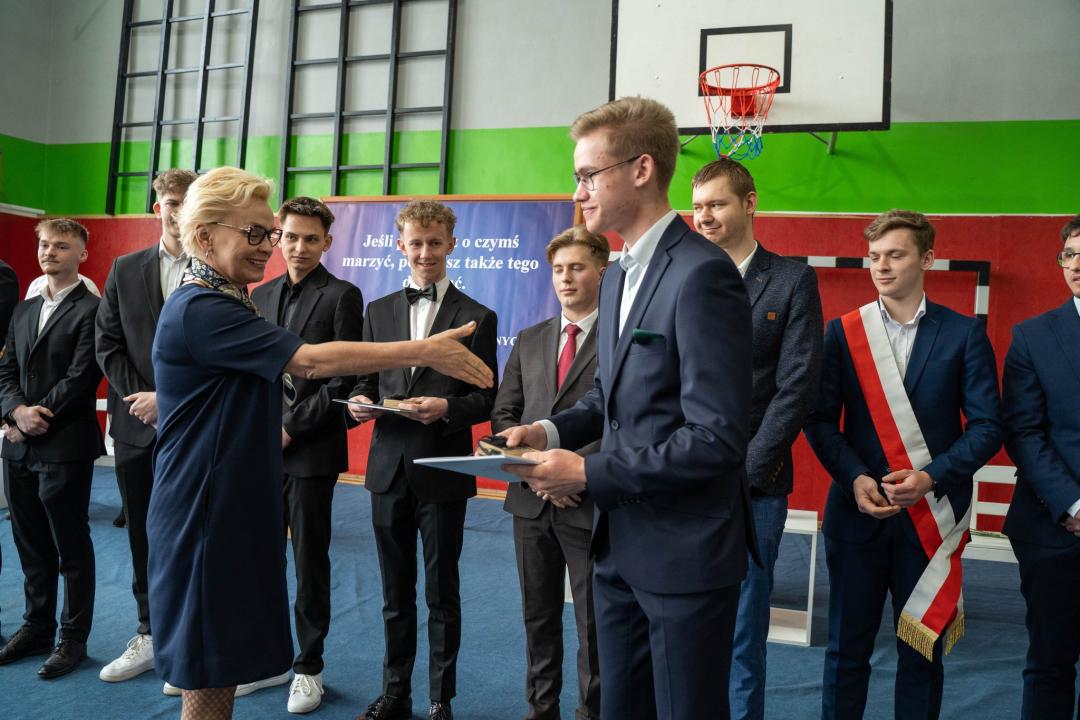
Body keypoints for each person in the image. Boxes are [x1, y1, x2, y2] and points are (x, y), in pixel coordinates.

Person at [146, 167, 492, 720]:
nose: (271, 247)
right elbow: (308, 360)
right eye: (257, 233)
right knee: (209, 679)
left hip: (229, 502)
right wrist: (423, 350)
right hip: (209, 511)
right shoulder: (204, 307)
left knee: (218, 671)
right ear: (206, 236)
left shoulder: (223, 300)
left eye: (269, 232)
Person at [501, 96, 756, 720]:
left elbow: (716, 438)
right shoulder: (615, 275)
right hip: (616, 546)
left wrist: (587, 472)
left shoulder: (703, 274)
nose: (578, 192)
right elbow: (607, 399)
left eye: (589, 175)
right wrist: (547, 429)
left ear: (641, 170)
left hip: (684, 554)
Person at [803, 209, 1004, 720]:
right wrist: (855, 477)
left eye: (895, 255)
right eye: (874, 256)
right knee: (845, 652)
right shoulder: (843, 332)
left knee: (922, 657)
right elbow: (819, 420)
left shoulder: (963, 334)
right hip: (857, 517)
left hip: (929, 520)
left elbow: (987, 426)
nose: (882, 266)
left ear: (927, 259)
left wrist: (931, 477)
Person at [346, 199, 498, 720]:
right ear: (400, 246)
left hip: (443, 469)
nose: (426, 252)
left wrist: (447, 408)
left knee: (441, 593)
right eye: (416, 243)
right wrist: (361, 402)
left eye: (435, 243)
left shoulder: (478, 316)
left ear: (451, 244)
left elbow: (487, 398)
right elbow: (365, 382)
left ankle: (440, 700)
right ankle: (395, 694)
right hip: (387, 470)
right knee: (394, 594)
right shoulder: (378, 311)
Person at [690, 157, 823, 720]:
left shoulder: (792, 280)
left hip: (754, 486)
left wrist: (744, 473)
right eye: (697, 207)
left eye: (716, 204)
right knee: (682, 623)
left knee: (744, 630)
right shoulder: (680, 276)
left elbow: (797, 387)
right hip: (681, 476)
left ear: (749, 204)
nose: (704, 217)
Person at [250, 196, 365, 713]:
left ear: (327, 242)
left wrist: (290, 429)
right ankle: (266, 659)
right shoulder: (259, 293)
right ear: (279, 238)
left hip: (311, 450)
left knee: (309, 561)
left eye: (311, 239)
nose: (299, 247)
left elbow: (343, 376)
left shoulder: (343, 295)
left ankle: (308, 667)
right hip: (259, 451)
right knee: (260, 558)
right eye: (291, 237)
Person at [491, 225, 607, 720]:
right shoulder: (530, 338)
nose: (566, 278)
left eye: (577, 267)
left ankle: (590, 713)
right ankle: (541, 710)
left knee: (593, 624)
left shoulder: (619, 339)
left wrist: (574, 474)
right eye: (558, 269)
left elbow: (617, 420)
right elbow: (504, 414)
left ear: (602, 271)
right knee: (537, 617)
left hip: (589, 500)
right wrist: (537, 474)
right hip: (530, 501)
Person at [94, 168, 198, 685]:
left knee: (192, 538)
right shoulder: (124, 267)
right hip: (136, 424)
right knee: (141, 535)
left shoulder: (216, 269)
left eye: (186, 201)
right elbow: (107, 342)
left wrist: (169, 400)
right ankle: (149, 632)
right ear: (157, 207)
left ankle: (188, 642)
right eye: (170, 202)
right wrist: (143, 400)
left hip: (195, 426)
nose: (177, 211)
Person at [0, 219, 104, 679]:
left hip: (64, 444)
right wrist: (15, 412)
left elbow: (82, 377)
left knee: (70, 548)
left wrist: (33, 417)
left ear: (82, 254)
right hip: (19, 447)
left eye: (61, 246)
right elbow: (5, 372)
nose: (49, 252)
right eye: (44, 244)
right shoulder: (23, 309)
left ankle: (72, 638)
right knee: (30, 544)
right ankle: (36, 627)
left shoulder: (93, 309)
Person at [1001, 215, 1080, 719]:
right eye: (1070, 254)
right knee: (1050, 664)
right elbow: (1023, 432)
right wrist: (1074, 506)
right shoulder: (1032, 337)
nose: (1077, 264)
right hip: (1055, 530)